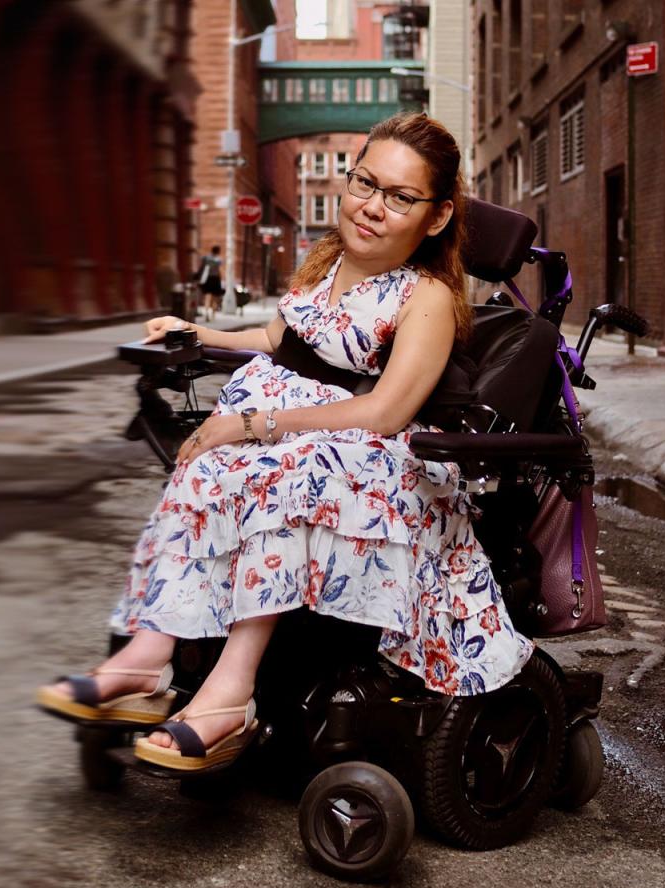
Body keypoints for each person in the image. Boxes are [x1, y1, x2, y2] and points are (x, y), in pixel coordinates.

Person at [36, 113, 532, 772]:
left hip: (377, 455)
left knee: (278, 464)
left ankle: (230, 691)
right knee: (206, 460)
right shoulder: (328, 261)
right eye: (365, 183)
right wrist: (202, 335)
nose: (372, 208)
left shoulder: (429, 296)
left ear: (436, 218)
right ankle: (147, 657)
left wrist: (251, 425)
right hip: (300, 434)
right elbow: (279, 341)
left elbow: (386, 411)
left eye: (400, 197)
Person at [194, 246, 226, 322]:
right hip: (215, 279)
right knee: (215, 298)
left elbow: (202, 267)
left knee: (207, 297)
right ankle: (213, 316)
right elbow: (220, 270)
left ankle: (206, 313)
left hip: (208, 279)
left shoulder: (206, 258)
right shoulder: (219, 260)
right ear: (218, 251)